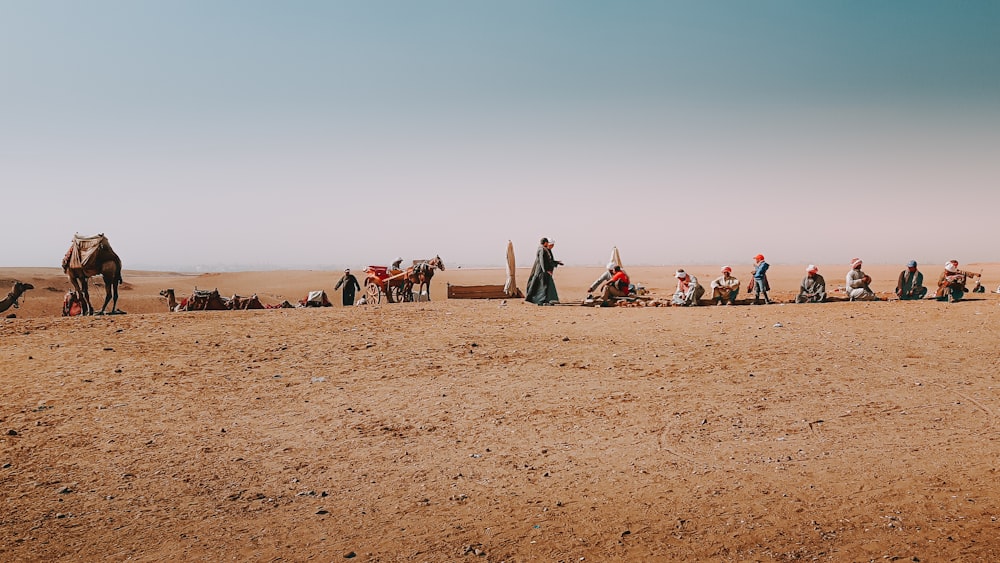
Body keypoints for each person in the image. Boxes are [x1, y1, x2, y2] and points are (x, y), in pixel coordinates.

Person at [525, 237, 562, 305]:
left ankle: (544, 301)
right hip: (541, 272)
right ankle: (541, 301)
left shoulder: (544, 249)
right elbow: (542, 262)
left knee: (542, 286)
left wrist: (556, 263)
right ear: (545, 243)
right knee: (542, 287)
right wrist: (545, 270)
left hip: (543, 271)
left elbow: (548, 261)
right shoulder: (542, 250)